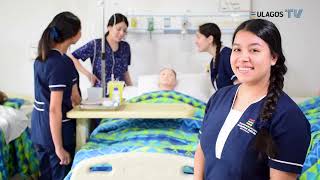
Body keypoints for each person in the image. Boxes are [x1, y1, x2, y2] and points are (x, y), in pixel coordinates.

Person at [194, 19, 310, 180]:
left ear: (273, 57)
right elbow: (201, 150)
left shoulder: (288, 118)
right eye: (237, 49)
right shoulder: (219, 98)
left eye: (254, 50)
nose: (243, 58)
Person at [31, 12, 81, 180]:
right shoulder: (61, 64)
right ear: (74, 35)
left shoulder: (41, 59)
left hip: (39, 128)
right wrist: (59, 147)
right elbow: (54, 109)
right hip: (55, 132)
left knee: (46, 175)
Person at [69, 13, 133, 96]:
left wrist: (132, 89)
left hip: (120, 93)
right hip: (98, 93)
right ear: (109, 27)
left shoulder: (125, 47)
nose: (122, 33)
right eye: (118, 29)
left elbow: (125, 71)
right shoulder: (97, 45)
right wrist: (89, 75)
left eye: (124, 31)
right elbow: (72, 57)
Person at [195, 23, 238, 90]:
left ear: (210, 39)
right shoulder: (213, 62)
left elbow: (240, 85)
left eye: (198, 37)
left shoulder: (227, 56)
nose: (196, 41)